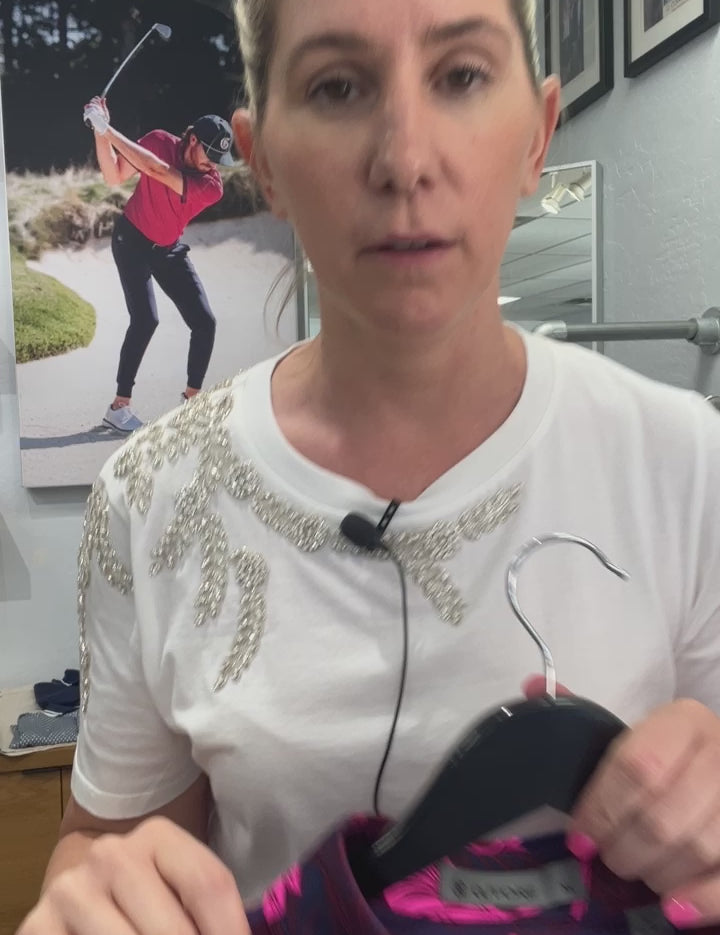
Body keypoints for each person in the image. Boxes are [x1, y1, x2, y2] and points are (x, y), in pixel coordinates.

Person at [18, 1, 720, 932]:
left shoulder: (687, 464)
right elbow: (104, 843)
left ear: (537, 134)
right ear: (266, 161)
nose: (404, 160)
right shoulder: (148, 498)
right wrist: (94, 898)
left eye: (462, 76)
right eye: (337, 87)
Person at [83, 97, 234, 433]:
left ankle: (191, 401)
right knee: (145, 319)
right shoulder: (158, 141)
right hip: (131, 242)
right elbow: (113, 176)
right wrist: (99, 130)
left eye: (219, 159)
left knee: (204, 322)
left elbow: (159, 171)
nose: (213, 164)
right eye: (210, 154)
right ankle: (119, 408)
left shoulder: (211, 186)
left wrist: (108, 130)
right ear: (192, 140)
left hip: (167, 249)